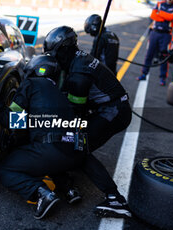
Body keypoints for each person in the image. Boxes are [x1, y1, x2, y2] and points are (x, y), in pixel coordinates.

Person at [43, 26, 132, 218]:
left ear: (64, 49)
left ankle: (115, 199)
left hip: (113, 112)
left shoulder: (78, 76)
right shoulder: (78, 57)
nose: (54, 59)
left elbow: (76, 115)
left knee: (78, 147)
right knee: (75, 144)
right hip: (112, 107)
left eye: (55, 54)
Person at [0, 55, 82, 220]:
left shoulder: (31, 84)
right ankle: (68, 189)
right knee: (51, 156)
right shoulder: (61, 94)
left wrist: (0, 109)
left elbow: (14, 121)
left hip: (50, 151)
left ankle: (41, 193)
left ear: (34, 68)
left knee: (5, 169)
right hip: (73, 154)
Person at [136, 0, 173, 86]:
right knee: (149, 54)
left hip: (166, 35)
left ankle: (162, 78)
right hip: (155, 33)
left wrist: (159, 13)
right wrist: (165, 17)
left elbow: (171, 18)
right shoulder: (159, 4)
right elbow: (153, 15)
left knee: (164, 56)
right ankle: (144, 74)